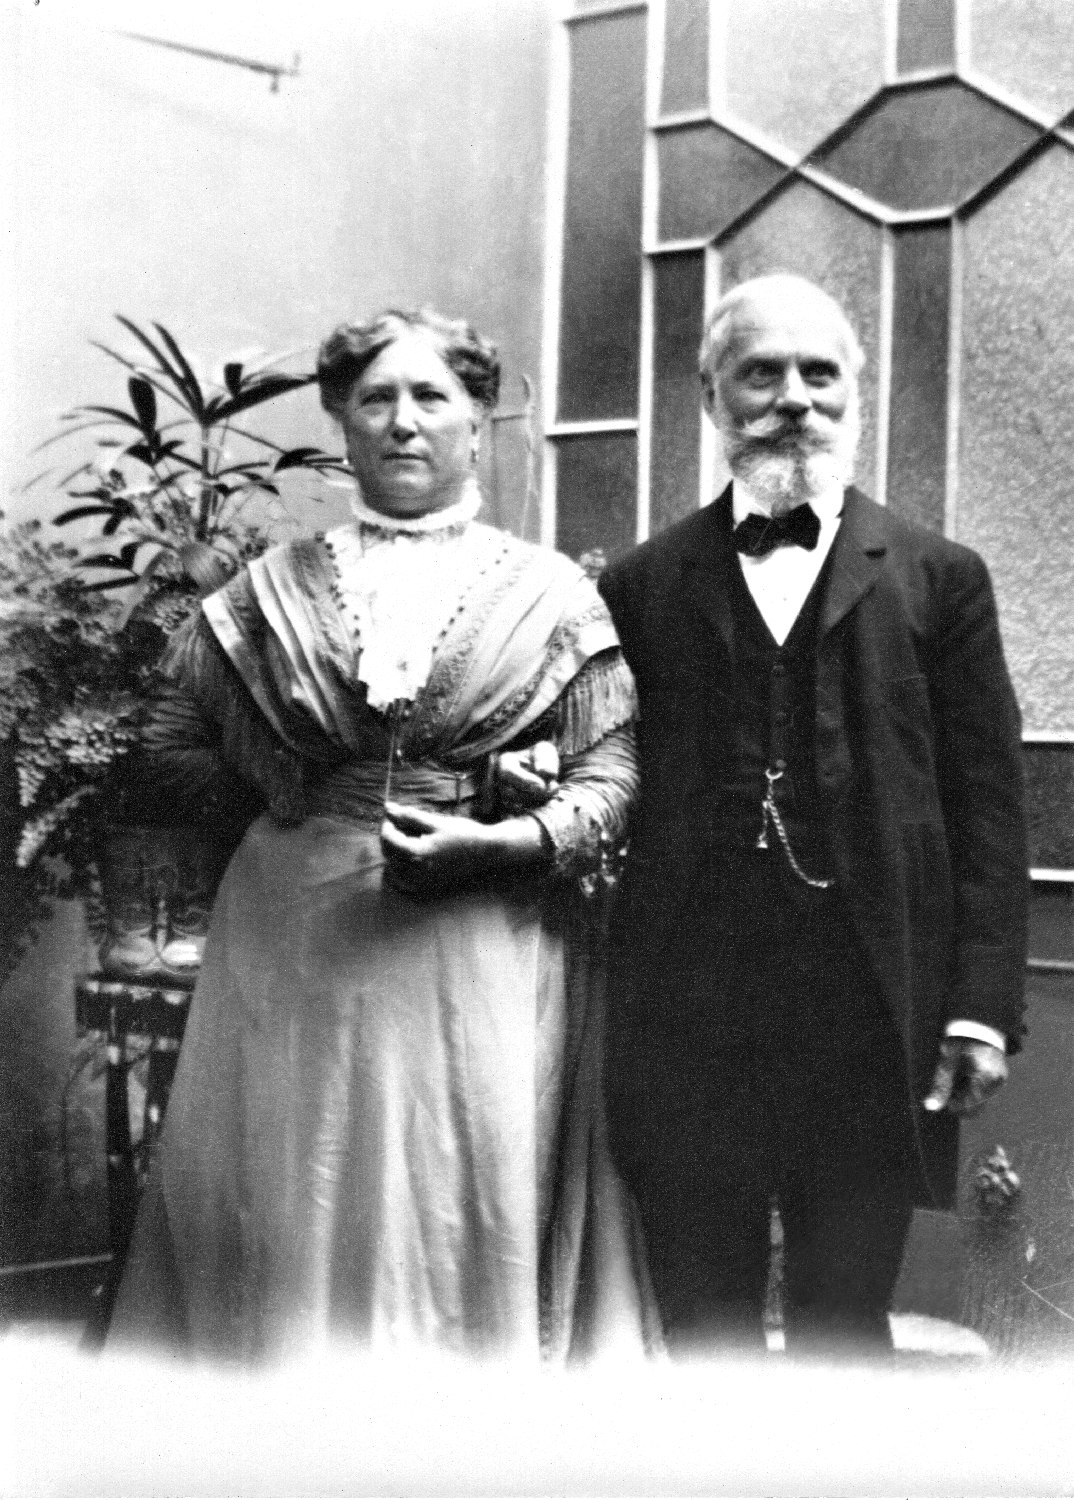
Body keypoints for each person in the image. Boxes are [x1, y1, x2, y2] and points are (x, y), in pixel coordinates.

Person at [109, 309, 647, 1364]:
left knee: (460, 1184)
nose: (404, 422)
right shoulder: (268, 589)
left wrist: (513, 837)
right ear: (342, 422)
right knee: (295, 1182)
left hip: (481, 938)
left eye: (431, 397)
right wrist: (296, 794)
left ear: (477, 420)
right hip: (294, 935)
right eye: (376, 399)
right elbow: (166, 746)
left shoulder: (551, 594)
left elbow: (612, 777)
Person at [597, 273, 1028, 1360]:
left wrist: (980, 1008)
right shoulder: (642, 585)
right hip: (691, 1008)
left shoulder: (941, 578)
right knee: (703, 1320)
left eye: (819, 374)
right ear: (711, 396)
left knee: (844, 1320)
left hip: (868, 1006)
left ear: (853, 396)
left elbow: (989, 809)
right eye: (762, 373)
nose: (794, 397)